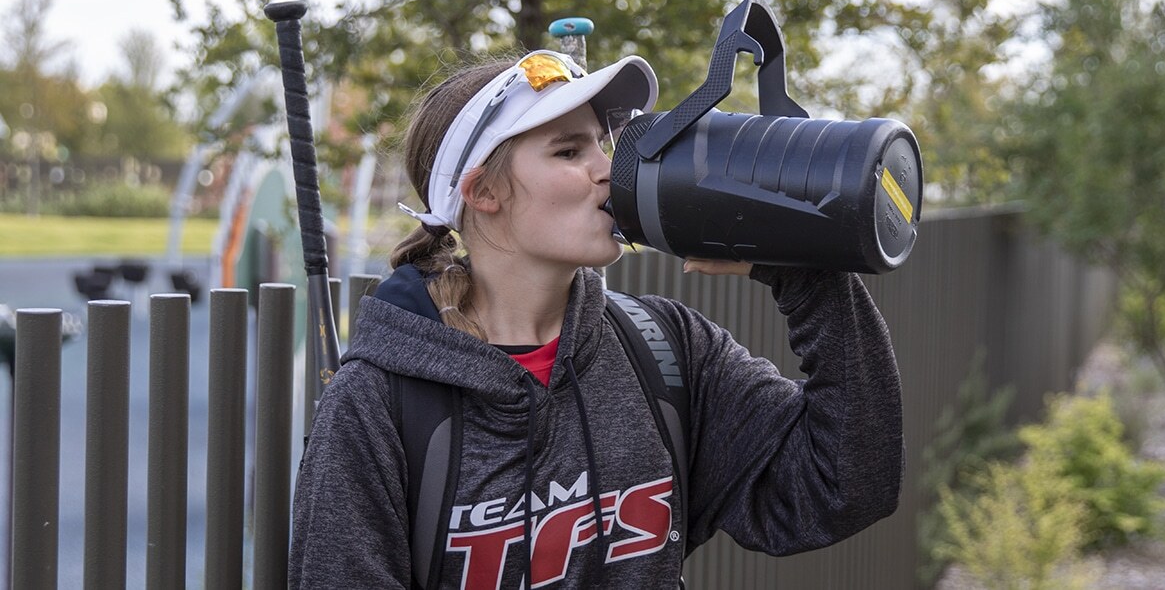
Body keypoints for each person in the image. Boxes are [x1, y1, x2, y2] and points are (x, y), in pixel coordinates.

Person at [289, 48, 904, 589]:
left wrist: (804, 275)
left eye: (600, 144)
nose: (608, 169)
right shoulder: (378, 403)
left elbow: (843, 487)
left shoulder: (664, 349)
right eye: (568, 150)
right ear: (483, 193)